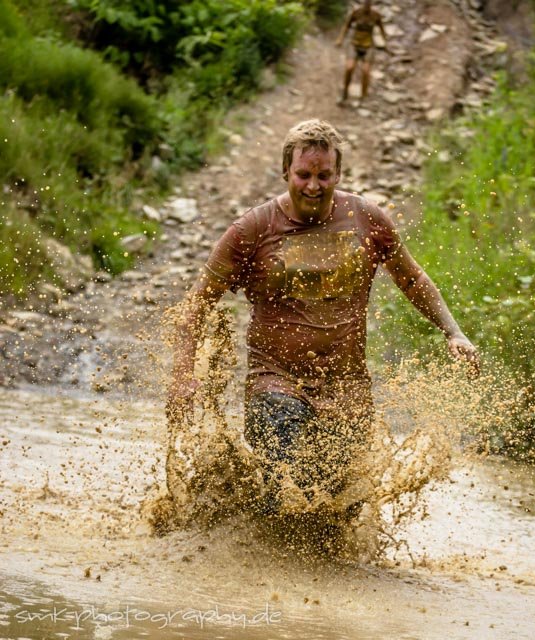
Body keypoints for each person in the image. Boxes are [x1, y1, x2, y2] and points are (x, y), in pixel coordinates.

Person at [167, 119, 478, 512]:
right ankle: (256, 563)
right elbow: (196, 304)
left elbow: (412, 278)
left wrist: (453, 332)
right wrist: (182, 374)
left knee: (340, 506)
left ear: (338, 174)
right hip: (275, 379)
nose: (313, 186)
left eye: (323, 175)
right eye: (303, 175)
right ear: (285, 172)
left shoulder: (367, 220)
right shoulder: (254, 228)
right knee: (283, 479)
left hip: (346, 385)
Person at [335, 0, 388, 104]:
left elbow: (382, 29)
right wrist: (340, 39)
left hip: (368, 46)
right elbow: (347, 25)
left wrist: (385, 41)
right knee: (349, 67)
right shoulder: (356, 13)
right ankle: (345, 91)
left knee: (366, 70)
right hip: (355, 43)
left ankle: (363, 95)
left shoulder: (375, 16)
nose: (367, 5)